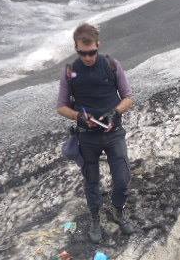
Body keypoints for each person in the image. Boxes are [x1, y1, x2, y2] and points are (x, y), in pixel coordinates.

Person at [56, 23, 135, 243]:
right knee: (91, 181)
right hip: (87, 136)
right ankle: (95, 218)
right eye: (83, 53)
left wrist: (115, 112)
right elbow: (61, 106)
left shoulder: (111, 65)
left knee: (122, 178)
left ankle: (118, 210)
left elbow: (129, 97)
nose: (88, 57)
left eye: (92, 52)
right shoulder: (70, 72)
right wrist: (79, 117)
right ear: (76, 48)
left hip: (113, 132)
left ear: (98, 46)